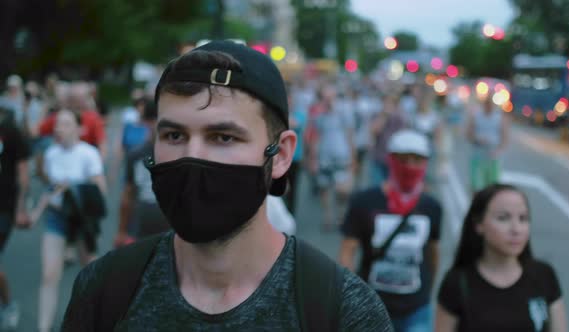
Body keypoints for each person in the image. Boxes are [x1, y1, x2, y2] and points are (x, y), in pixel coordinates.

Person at [62, 40, 393, 331]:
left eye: (223, 137)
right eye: (174, 135)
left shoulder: (343, 311)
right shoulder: (104, 290)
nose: (192, 157)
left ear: (280, 155)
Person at [339, 129, 443, 332]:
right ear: (391, 160)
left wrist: (428, 291)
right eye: (404, 160)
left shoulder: (431, 207)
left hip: (416, 308)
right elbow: (347, 251)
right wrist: (351, 295)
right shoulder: (365, 201)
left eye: (417, 160)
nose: (410, 166)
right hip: (371, 304)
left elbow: (433, 253)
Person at [435, 184, 567, 332]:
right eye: (503, 218)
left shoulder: (544, 276)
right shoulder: (457, 282)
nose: (516, 229)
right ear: (479, 224)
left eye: (523, 218)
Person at [26, 108, 107, 332]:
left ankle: (98, 322)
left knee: (91, 274)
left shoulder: (88, 153)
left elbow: (101, 189)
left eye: (65, 123)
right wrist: (35, 214)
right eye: (57, 124)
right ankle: (44, 328)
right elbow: (51, 190)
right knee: (49, 274)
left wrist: (72, 187)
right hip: (57, 218)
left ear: (79, 129)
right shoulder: (51, 154)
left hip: (82, 220)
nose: (58, 128)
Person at [114, 101, 168, 247]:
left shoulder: (178, 154)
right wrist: (121, 231)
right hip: (140, 229)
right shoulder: (136, 155)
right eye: (151, 120)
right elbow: (128, 194)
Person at [0, 108, 32, 330]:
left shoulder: (10, 132)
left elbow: (23, 174)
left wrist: (21, 208)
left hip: (4, 208)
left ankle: (8, 304)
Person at [309, 85, 356, 230]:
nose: (328, 101)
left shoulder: (344, 114)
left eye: (331, 98)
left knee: (342, 191)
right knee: (325, 187)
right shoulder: (319, 116)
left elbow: (350, 136)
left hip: (342, 157)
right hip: (325, 157)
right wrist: (313, 158)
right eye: (326, 98)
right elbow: (315, 138)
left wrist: (353, 158)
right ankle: (328, 217)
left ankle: (341, 215)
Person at [466, 96, 510, 193]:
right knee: (475, 186)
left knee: (491, 187)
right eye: (487, 104)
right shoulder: (476, 116)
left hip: (493, 157)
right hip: (478, 155)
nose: (489, 106)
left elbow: (505, 138)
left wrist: (498, 151)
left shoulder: (500, 118)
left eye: (491, 104)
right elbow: (468, 134)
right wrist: (477, 139)